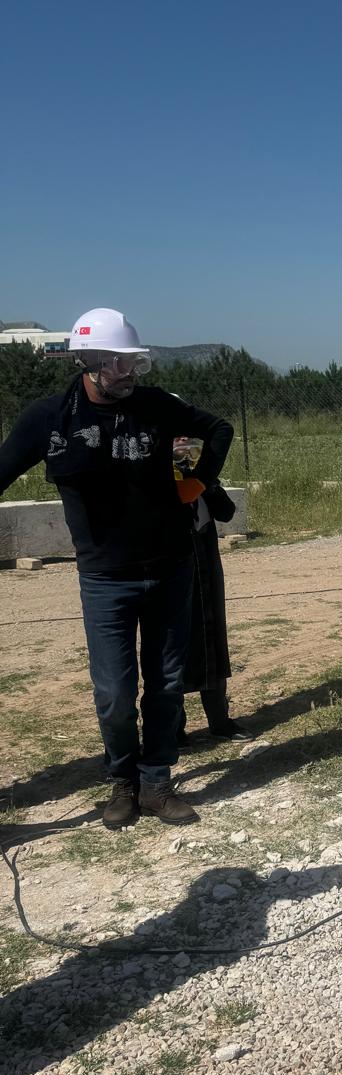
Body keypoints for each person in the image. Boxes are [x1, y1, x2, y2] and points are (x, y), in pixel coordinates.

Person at [0, 308, 233, 829]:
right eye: (119, 363)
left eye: (135, 362)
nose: (130, 372)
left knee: (167, 682)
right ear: (89, 361)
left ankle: (156, 782)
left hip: (171, 568)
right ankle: (122, 782)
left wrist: (195, 480)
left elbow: (219, 429)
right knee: (113, 694)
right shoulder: (50, 419)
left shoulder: (155, 406)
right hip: (105, 578)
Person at [173, 434, 246, 743]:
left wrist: (204, 479)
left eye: (187, 437)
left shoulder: (200, 472)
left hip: (205, 559)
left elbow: (226, 512)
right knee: (172, 646)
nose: (182, 443)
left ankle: (220, 720)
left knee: (212, 635)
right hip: (171, 562)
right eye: (176, 436)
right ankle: (173, 729)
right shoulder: (149, 474)